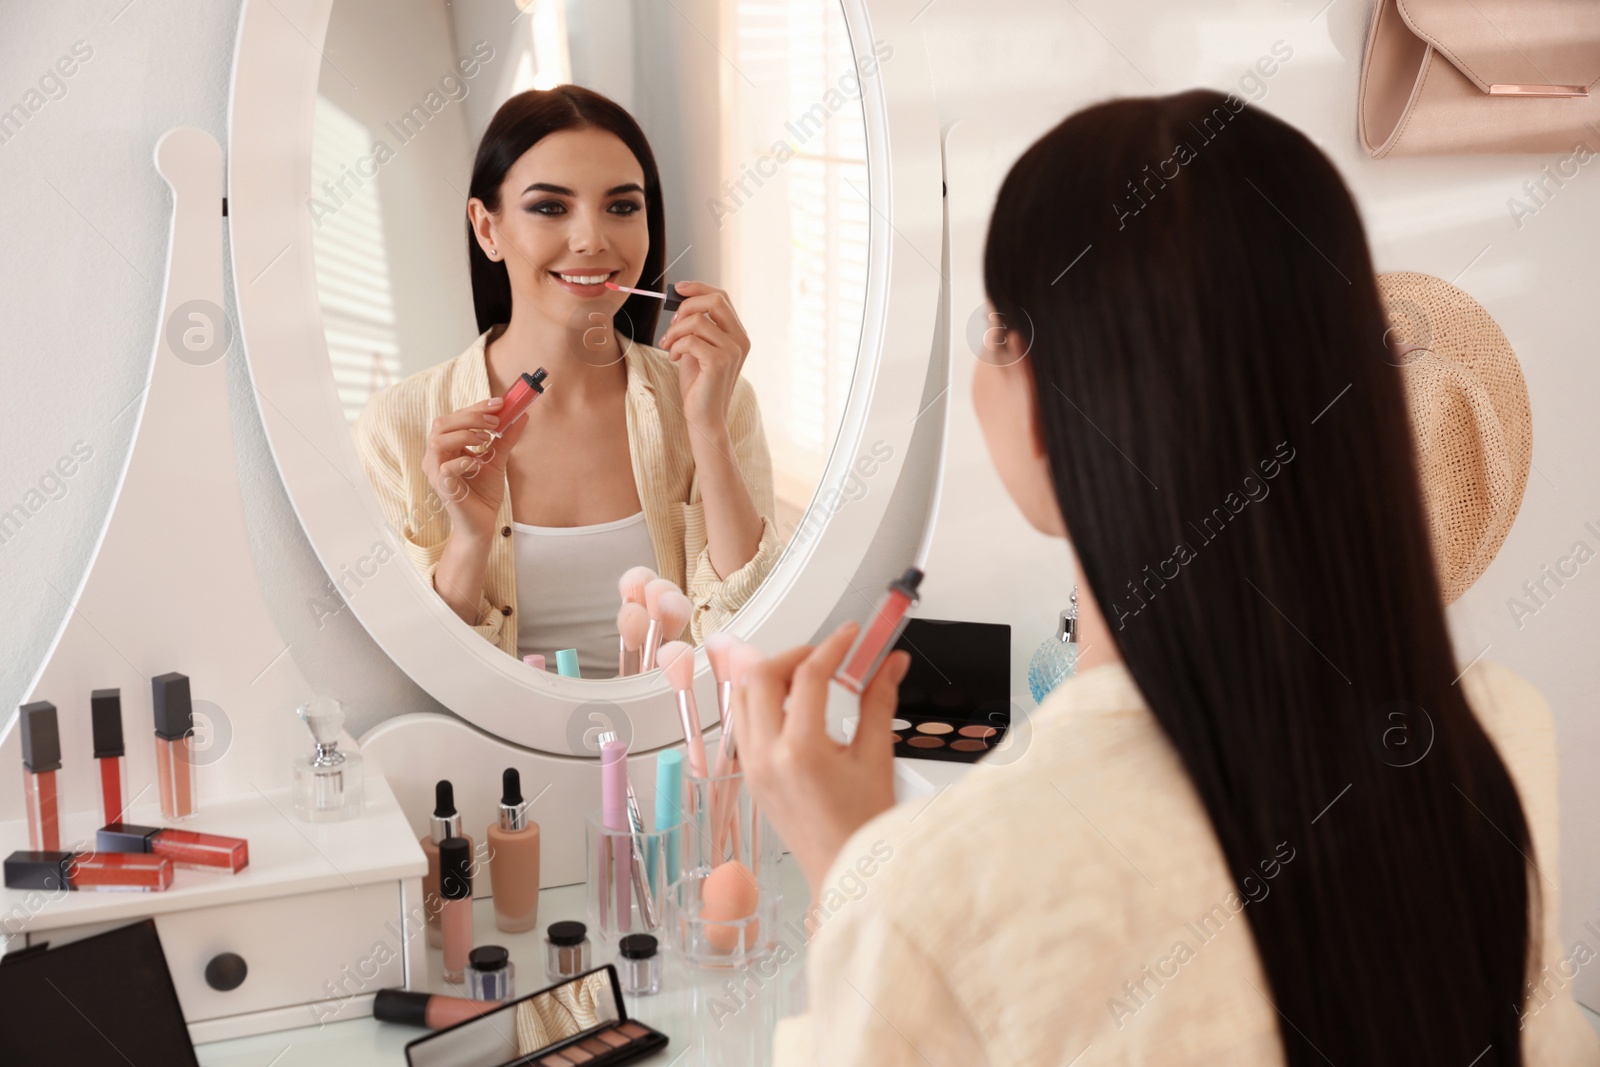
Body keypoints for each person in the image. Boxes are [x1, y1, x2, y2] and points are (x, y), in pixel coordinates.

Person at [738, 90, 1599, 1065]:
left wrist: (847, 867)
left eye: (994, 333)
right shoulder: (1495, 739)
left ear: (1046, 418)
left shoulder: (947, 895)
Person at [355, 86, 780, 675]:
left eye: (622, 207)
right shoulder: (397, 426)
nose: (592, 240)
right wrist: (469, 542)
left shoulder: (720, 402)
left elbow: (748, 639)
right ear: (487, 229)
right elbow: (414, 674)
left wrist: (705, 426)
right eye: (551, 207)